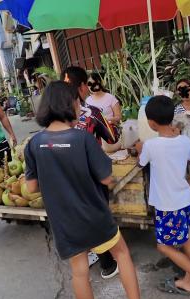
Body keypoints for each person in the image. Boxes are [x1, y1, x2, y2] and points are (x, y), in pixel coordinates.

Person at [24, 81, 140, 299]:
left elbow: (31, 187)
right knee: (122, 254)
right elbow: (106, 179)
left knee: (79, 272)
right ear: (69, 104)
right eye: (78, 101)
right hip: (93, 215)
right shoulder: (83, 139)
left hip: (63, 222)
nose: (80, 106)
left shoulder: (34, 143)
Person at [136, 96, 190, 296]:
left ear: (151, 123)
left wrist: (139, 150)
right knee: (186, 238)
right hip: (183, 199)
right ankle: (188, 280)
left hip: (167, 204)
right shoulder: (184, 140)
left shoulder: (150, 146)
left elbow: (140, 164)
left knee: (163, 246)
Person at [61, 66, 119, 279]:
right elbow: (112, 138)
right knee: (97, 216)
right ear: (83, 87)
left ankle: (89, 253)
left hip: (65, 179)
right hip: (92, 176)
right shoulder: (91, 113)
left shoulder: (53, 119)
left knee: (79, 215)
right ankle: (107, 264)